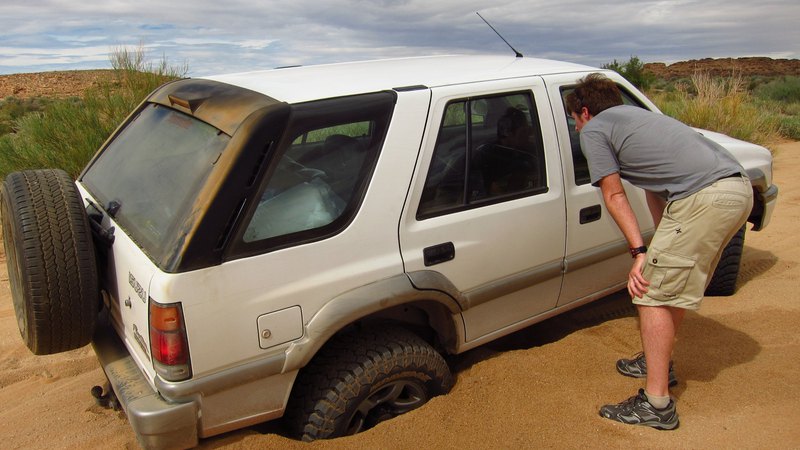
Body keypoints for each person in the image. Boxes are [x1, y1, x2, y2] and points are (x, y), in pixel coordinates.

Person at [565, 73, 753, 430]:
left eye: (574, 120)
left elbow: (613, 194)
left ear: (585, 111)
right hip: (735, 190)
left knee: (649, 291)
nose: (576, 129)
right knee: (669, 285)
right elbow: (658, 187)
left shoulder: (595, 129)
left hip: (704, 197)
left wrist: (639, 253)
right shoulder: (643, 120)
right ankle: (658, 364)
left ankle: (656, 404)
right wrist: (657, 246)